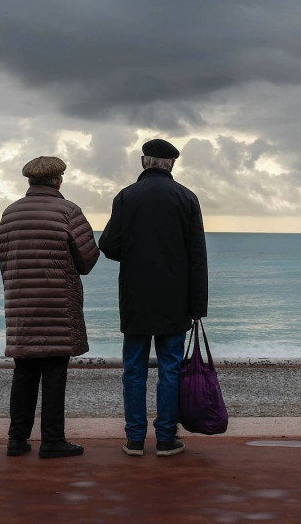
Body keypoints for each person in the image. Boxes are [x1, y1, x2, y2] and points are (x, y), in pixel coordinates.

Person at [99, 138, 209, 457]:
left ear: (144, 162)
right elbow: (197, 257)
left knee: (133, 368)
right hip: (175, 300)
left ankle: (134, 439)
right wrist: (197, 306)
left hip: (135, 297)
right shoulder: (187, 198)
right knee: (170, 369)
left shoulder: (126, 197)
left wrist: (133, 255)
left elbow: (108, 244)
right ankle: (165, 439)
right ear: (171, 163)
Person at [0, 156, 100, 459]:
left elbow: (1, 254)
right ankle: (52, 440)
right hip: (57, 306)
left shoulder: (10, 213)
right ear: (58, 180)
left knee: (24, 371)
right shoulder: (68, 212)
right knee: (55, 372)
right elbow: (87, 259)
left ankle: (17, 439)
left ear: (30, 181)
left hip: (21, 306)